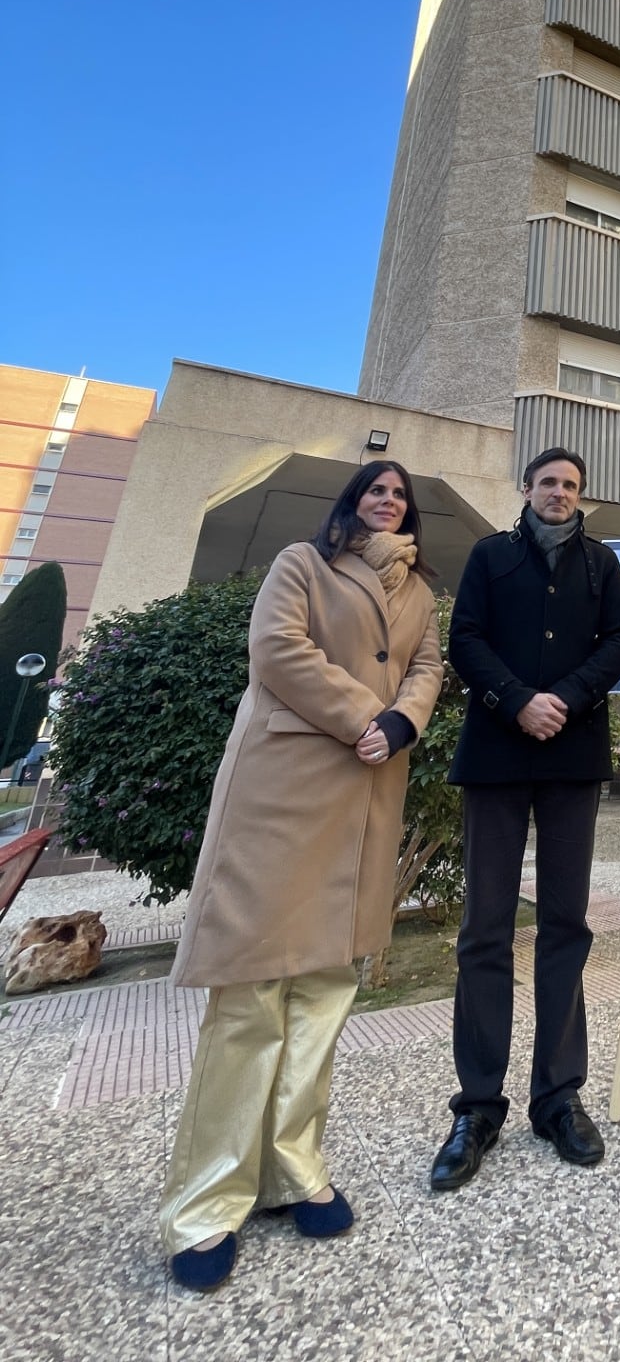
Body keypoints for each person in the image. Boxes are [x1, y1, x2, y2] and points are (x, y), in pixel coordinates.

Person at [161, 460, 443, 1290]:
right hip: (284, 788)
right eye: (376, 490)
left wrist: (402, 721)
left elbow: (426, 665)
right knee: (250, 995)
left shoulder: (421, 590)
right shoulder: (302, 562)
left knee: (324, 991)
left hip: (368, 786)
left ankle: (293, 1172)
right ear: (351, 501)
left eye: (400, 494)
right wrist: (365, 712)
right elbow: (276, 649)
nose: (388, 501)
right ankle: (206, 1205)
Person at [430, 446, 620, 1190]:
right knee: (484, 928)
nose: (558, 493)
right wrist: (517, 699)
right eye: (548, 482)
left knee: (564, 925)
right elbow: (466, 640)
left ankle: (558, 1097)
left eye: (571, 485)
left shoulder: (602, 564)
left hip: (571, 757)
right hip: (495, 755)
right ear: (526, 490)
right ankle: (477, 1107)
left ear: (581, 496)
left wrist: (568, 700)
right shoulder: (490, 556)